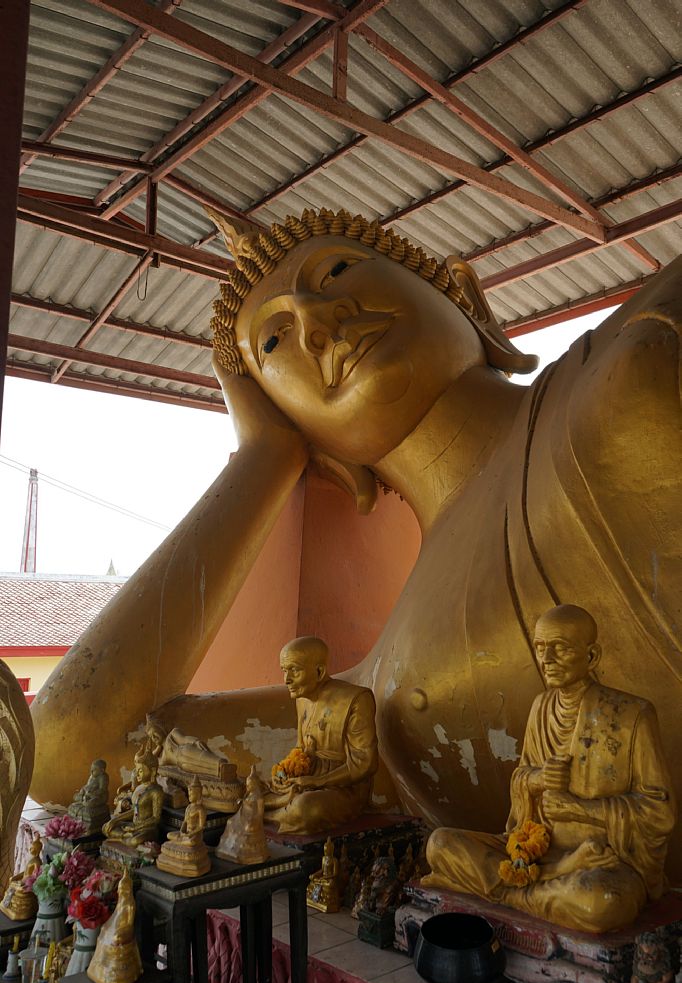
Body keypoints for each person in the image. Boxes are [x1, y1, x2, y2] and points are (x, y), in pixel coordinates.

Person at [30, 209, 682, 874]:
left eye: (337, 270)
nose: (316, 322)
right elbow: (70, 750)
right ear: (320, 449)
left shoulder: (632, 350)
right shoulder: (382, 697)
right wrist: (264, 456)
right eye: (276, 340)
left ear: (468, 299)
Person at [423, 606, 676, 932]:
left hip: (597, 860)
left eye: (561, 648)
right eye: (541, 647)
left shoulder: (632, 715)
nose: (547, 659)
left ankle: (505, 888)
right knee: (440, 844)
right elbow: (522, 779)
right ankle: (530, 886)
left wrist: (581, 810)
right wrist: (537, 779)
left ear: (592, 656)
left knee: (600, 902)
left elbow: (659, 812)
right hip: (536, 850)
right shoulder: (541, 706)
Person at [264, 636, 378, 834]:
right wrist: (284, 773)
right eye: (284, 670)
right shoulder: (302, 697)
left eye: (294, 670)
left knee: (306, 808)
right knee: (254, 788)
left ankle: (260, 813)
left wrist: (318, 781)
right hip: (306, 781)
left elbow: (364, 763)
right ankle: (265, 809)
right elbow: (301, 750)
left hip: (343, 789)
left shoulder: (357, 699)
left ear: (319, 672)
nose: (286, 680)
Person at [102, 751, 163, 848]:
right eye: (137, 770)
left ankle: (122, 838)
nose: (137, 774)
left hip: (147, 829)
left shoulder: (156, 791)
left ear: (153, 771)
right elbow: (134, 810)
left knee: (134, 841)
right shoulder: (139, 788)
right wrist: (115, 820)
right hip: (133, 826)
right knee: (106, 827)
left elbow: (156, 818)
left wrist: (135, 828)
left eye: (141, 771)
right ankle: (126, 837)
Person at [68, 759, 110, 832]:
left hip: (99, 797)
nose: (91, 771)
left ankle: (84, 801)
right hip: (87, 795)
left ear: (102, 770)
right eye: (91, 769)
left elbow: (102, 790)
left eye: (94, 770)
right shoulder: (92, 776)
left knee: (89, 804)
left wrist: (91, 794)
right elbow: (87, 786)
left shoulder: (103, 777)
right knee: (74, 798)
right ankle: (83, 800)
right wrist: (82, 791)